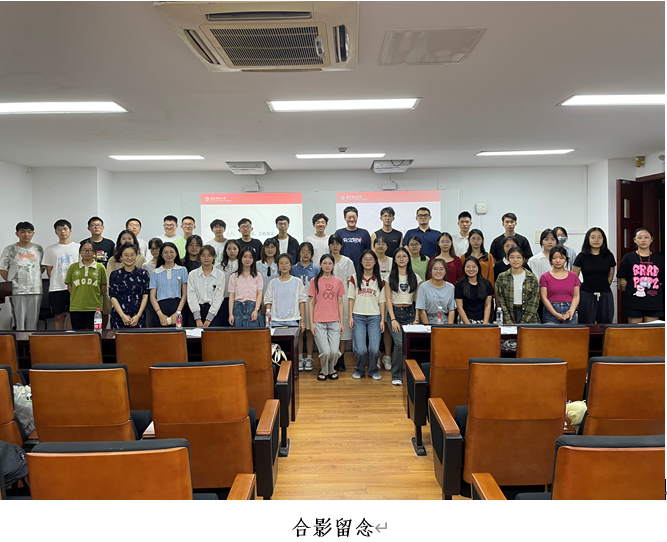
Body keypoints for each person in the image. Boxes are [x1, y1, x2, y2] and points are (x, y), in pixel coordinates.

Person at [385, 247, 421, 386]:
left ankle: (414, 374)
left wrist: (416, 318)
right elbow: (388, 299)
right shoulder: (389, 277)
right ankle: (397, 375)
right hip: (394, 313)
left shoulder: (415, 277)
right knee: (399, 343)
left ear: (408, 259)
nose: (401, 259)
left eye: (404, 256)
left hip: (410, 313)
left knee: (411, 344)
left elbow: (418, 300)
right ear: (394, 259)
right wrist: (393, 319)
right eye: (398, 256)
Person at [348, 250, 386, 381]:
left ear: (375, 262)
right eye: (365, 259)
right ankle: (359, 370)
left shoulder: (380, 280)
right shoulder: (354, 278)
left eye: (371, 259)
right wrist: (350, 317)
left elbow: (382, 301)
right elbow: (351, 299)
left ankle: (373, 370)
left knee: (374, 349)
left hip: (374, 317)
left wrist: (382, 320)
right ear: (361, 261)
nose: (368, 261)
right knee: (360, 350)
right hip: (358, 316)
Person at [0, 221, 44, 330]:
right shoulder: (10, 249)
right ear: (17, 233)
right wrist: (13, 281)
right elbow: (3, 269)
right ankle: (19, 340)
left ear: (33, 233)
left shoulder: (38, 249)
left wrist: (33, 277)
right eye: (23, 232)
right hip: (17, 290)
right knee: (19, 321)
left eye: (29, 232)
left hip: (35, 289)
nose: (26, 234)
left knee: (33, 320)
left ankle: (31, 340)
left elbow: (42, 267)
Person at [309, 254, 345, 381]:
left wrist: (341, 322)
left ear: (334, 265)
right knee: (325, 351)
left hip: (334, 321)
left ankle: (330, 369)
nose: (327, 266)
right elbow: (311, 303)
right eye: (324, 263)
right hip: (318, 321)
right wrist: (311, 323)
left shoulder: (338, 281)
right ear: (320, 264)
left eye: (330, 263)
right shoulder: (314, 281)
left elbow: (340, 303)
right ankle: (325, 371)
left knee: (334, 351)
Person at [617, 227, 664, 323]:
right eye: (640, 237)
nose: (643, 240)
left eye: (646, 237)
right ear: (634, 240)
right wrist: (630, 289)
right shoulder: (628, 257)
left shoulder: (658, 259)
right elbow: (622, 278)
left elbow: (661, 280)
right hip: (633, 302)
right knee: (635, 330)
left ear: (651, 239)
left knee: (651, 330)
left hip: (653, 302)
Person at [573, 227, 616, 324]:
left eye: (599, 237)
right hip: (586, 294)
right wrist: (582, 287)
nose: (596, 240)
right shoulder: (582, 256)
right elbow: (574, 276)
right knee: (586, 324)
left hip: (605, 294)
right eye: (593, 237)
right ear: (588, 239)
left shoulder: (609, 256)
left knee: (605, 324)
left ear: (603, 239)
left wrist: (602, 286)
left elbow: (610, 275)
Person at [43, 219, 80, 330]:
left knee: (71, 316)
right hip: (57, 287)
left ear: (70, 230)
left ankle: (70, 338)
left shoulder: (79, 247)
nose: (62, 232)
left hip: (75, 287)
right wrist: (56, 281)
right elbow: (49, 270)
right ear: (56, 232)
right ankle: (58, 338)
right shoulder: (50, 249)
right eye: (59, 229)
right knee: (58, 316)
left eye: (65, 229)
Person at [80, 216, 115, 329]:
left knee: (105, 310)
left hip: (105, 280)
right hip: (88, 281)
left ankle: (102, 333)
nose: (96, 227)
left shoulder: (110, 244)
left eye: (98, 225)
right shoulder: (84, 243)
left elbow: (113, 261)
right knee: (90, 310)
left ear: (103, 228)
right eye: (93, 225)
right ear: (88, 228)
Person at [65, 241, 107, 330]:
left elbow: (103, 287)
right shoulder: (73, 267)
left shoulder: (100, 267)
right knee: (79, 334)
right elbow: (70, 286)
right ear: (80, 252)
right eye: (84, 250)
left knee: (95, 334)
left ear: (95, 253)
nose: (87, 253)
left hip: (95, 307)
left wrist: (96, 296)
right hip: (76, 307)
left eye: (90, 250)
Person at [329, 234, 356, 372]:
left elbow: (351, 282)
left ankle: (341, 357)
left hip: (344, 294)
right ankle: (330, 356)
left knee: (343, 325)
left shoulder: (347, 261)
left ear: (341, 245)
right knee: (329, 324)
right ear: (329, 246)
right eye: (332, 243)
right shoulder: (326, 260)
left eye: (337, 244)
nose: (335, 246)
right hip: (328, 296)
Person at [291, 242, 320, 371]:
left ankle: (309, 357)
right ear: (299, 253)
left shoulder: (316, 269)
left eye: (308, 251)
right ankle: (299, 357)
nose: (305, 254)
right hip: (296, 302)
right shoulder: (293, 268)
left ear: (312, 254)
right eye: (303, 251)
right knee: (299, 331)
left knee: (309, 331)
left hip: (311, 303)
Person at [109, 243, 150, 329]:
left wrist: (138, 316)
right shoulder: (115, 275)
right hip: (119, 316)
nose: (129, 258)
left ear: (136, 256)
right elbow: (113, 296)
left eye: (132, 255)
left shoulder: (143, 274)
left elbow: (145, 295)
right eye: (126, 255)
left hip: (138, 316)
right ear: (121, 257)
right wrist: (122, 315)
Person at [495, 247, 541, 324]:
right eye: (512, 257)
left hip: (529, 316)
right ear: (508, 259)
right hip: (509, 313)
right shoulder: (502, 277)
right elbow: (501, 300)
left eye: (519, 257)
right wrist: (509, 321)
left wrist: (524, 322)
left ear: (523, 259)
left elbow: (534, 302)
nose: (515, 260)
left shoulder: (531, 277)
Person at [149, 242, 188, 327]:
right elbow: (152, 296)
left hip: (178, 306)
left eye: (171, 252)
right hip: (160, 308)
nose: (169, 255)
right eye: (165, 252)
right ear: (161, 255)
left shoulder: (182, 270)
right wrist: (160, 315)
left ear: (176, 253)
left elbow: (185, 294)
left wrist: (177, 313)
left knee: (177, 334)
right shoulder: (155, 273)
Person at [186, 245, 226, 327]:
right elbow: (191, 295)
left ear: (214, 256)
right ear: (199, 256)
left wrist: (209, 319)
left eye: (209, 255)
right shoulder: (193, 274)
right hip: (196, 312)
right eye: (203, 255)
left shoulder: (220, 275)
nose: (206, 258)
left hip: (214, 312)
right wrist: (197, 318)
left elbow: (218, 297)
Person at [540, 246, 580, 324]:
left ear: (566, 259)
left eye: (561, 258)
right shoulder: (545, 277)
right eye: (554, 258)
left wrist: (571, 311)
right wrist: (555, 314)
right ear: (550, 260)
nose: (558, 261)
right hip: (551, 311)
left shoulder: (573, 276)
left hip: (570, 310)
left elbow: (576, 295)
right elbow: (543, 297)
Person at [265, 253, 307, 327]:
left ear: (291, 265)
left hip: (293, 320)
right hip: (276, 321)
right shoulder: (273, 283)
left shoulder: (297, 282)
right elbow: (268, 302)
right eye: (281, 263)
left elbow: (302, 302)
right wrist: (268, 322)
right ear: (278, 266)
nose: (284, 265)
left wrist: (302, 321)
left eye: (287, 263)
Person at [228, 246, 264, 327]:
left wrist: (256, 310)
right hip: (238, 308)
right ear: (240, 258)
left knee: (253, 333)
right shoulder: (233, 276)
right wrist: (230, 314)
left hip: (252, 307)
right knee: (238, 334)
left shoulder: (258, 275)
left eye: (250, 257)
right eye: (245, 256)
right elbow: (231, 296)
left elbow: (259, 294)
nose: (247, 259)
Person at [373, 235, 393, 369]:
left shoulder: (392, 261)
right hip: (373, 299)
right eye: (378, 243)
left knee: (387, 328)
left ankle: (387, 356)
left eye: (383, 244)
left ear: (387, 247)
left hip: (389, 298)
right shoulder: (370, 260)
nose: (380, 246)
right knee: (375, 328)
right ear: (373, 246)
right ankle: (375, 357)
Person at [416, 258, 456, 324]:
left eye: (441, 269)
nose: (438, 271)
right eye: (435, 269)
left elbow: (452, 310)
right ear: (430, 271)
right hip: (428, 320)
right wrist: (428, 327)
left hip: (445, 320)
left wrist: (449, 327)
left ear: (446, 271)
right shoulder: (423, 287)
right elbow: (421, 311)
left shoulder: (450, 287)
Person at [455, 257, 493, 324]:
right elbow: (460, 308)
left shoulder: (487, 283)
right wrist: (469, 325)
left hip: (483, 320)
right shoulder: (459, 285)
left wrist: (485, 324)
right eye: (468, 267)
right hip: (465, 321)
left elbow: (488, 305)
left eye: (474, 267)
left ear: (478, 268)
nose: (471, 269)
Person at [218, 239, 241, 327]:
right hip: (223, 298)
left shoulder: (242, 265)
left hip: (238, 300)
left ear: (239, 250)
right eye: (229, 249)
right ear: (225, 250)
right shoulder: (219, 266)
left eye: (234, 249)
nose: (232, 251)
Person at [142, 237, 163, 327]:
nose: (155, 251)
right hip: (151, 297)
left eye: (157, 248)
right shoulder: (146, 266)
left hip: (163, 297)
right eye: (152, 249)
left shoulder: (166, 264)